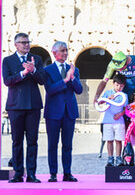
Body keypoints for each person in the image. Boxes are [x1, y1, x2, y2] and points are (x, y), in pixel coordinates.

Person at [2, 33, 46, 183]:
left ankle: (32, 174)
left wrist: (33, 70)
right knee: (17, 141)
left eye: (28, 42)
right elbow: (7, 81)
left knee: (32, 141)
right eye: (23, 42)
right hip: (15, 106)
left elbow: (42, 80)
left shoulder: (36, 59)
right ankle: (18, 173)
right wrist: (23, 73)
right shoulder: (8, 61)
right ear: (15, 44)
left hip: (33, 106)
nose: (26, 45)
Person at [43, 41, 83, 182]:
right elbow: (50, 89)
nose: (65, 53)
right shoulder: (47, 70)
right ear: (54, 53)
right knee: (52, 144)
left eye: (66, 50)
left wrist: (72, 78)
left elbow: (79, 90)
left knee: (67, 145)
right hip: (53, 113)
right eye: (62, 50)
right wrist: (65, 80)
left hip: (69, 112)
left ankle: (67, 173)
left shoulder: (73, 69)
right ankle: (53, 173)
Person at [100, 74, 128, 166]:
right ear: (113, 83)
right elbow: (100, 102)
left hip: (119, 121)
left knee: (119, 140)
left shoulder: (124, 95)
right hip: (108, 121)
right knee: (109, 140)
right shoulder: (108, 93)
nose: (119, 87)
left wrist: (120, 114)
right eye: (117, 85)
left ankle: (118, 158)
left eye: (121, 86)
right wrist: (108, 98)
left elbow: (125, 108)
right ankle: (110, 158)